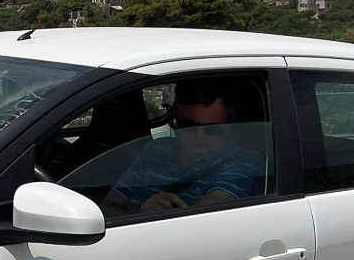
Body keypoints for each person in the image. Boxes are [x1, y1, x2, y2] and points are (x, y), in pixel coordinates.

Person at [99, 78, 265, 216]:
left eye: (212, 128)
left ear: (230, 121)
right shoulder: (155, 150)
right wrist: (140, 212)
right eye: (189, 126)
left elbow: (207, 216)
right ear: (175, 115)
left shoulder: (245, 163)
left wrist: (153, 216)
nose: (199, 136)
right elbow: (107, 208)